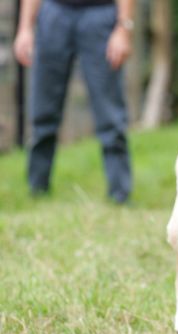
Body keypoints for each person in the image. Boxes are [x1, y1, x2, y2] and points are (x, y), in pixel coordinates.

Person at [14, 0, 134, 204]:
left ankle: (120, 194)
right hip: (54, 13)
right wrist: (25, 27)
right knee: (42, 114)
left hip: (101, 15)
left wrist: (123, 28)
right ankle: (37, 189)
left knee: (111, 118)